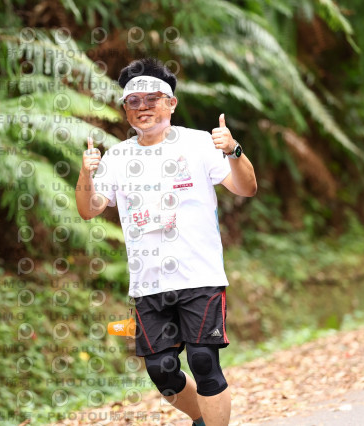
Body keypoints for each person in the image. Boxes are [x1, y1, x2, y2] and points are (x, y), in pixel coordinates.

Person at [75, 58, 257, 426]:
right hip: (149, 281)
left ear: (171, 103)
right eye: (133, 101)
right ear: (125, 108)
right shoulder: (118, 157)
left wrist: (233, 150)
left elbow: (246, 187)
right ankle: (201, 419)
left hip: (200, 275)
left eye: (152, 99)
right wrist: (86, 174)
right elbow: (89, 209)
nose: (142, 107)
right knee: (162, 370)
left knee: (203, 361)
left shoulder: (201, 143)